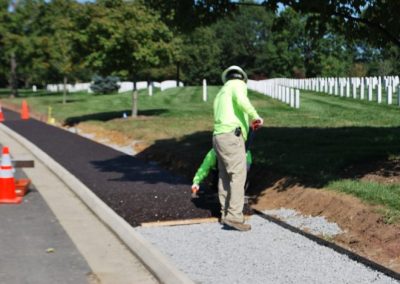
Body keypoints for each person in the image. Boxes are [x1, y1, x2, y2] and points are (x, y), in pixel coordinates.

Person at [212, 65, 263, 231]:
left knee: (224, 175)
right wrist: (255, 116)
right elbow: (242, 101)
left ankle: (225, 213)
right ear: (242, 78)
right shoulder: (237, 85)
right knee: (238, 174)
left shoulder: (221, 93)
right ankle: (234, 216)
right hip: (231, 136)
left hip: (218, 136)